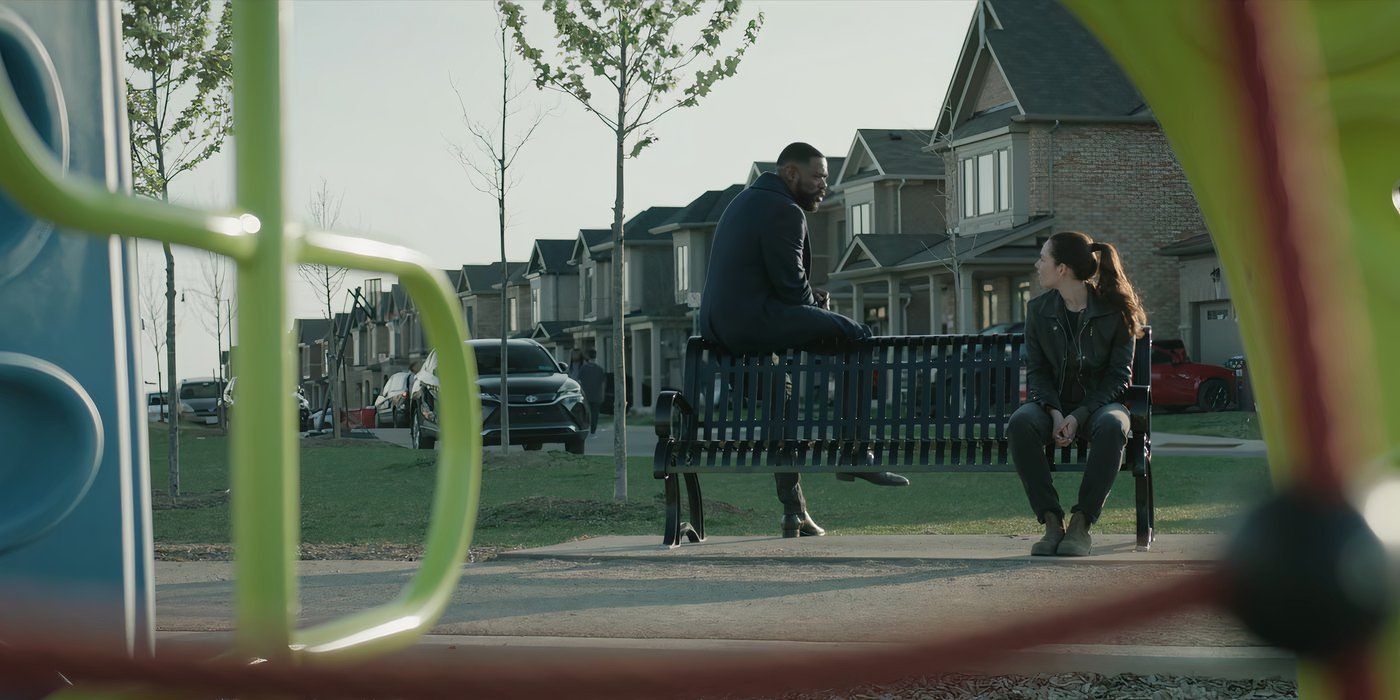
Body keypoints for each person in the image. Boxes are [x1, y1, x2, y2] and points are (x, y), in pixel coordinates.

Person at [698, 142, 908, 539]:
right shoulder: (784, 210)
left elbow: (771, 279)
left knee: (782, 395)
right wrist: (817, 307)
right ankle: (855, 451)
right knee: (857, 336)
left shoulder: (744, 202)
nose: (823, 186)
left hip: (722, 327)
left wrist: (814, 307)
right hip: (753, 321)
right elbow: (793, 290)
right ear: (791, 174)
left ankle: (793, 511)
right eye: (818, 177)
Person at [1008, 231, 1147, 557]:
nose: (1037, 264)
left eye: (1043, 258)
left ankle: (1081, 523)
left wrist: (1078, 414)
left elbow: (1118, 378)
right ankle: (1052, 522)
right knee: (1020, 423)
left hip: (1099, 407)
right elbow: (1038, 371)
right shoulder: (1038, 310)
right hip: (1050, 406)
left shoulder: (1115, 310)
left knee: (1115, 425)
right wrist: (1055, 412)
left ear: (1062, 269)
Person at [576, 349, 607, 435]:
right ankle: (593, 429)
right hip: (597, 395)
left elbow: (579, 381)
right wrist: (602, 394)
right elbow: (603, 383)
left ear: (588, 357)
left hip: (586, 395)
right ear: (595, 357)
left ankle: (586, 428)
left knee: (586, 412)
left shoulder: (583, 369)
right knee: (595, 413)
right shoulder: (600, 369)